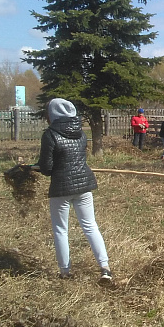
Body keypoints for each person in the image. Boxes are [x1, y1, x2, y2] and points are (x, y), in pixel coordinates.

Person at [35, 98, 112, 285]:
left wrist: (37, 167)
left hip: (61, 188)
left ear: (53, 114)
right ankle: (105, 268)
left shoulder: (50, 135)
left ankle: (65, 271)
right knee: (90, 226)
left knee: (61, 229)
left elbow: (46, 168)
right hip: (84, 185)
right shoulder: (81, 133)